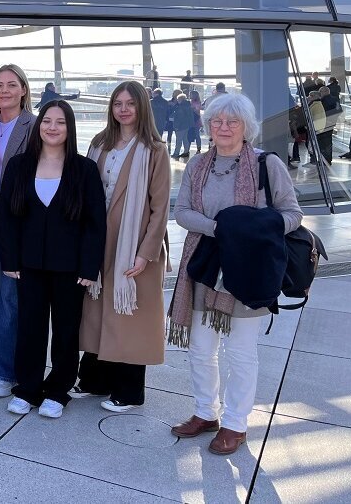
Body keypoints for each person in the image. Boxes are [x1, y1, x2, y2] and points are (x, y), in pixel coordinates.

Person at [169, 93, 302, 455]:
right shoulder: (198, 164)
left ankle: (235, 423)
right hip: (203, 266)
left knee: (241, 351)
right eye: (216, 121)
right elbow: (181, 212)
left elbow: (292, 215)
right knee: (200, 348)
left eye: (232, 122)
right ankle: (204, 413)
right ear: (207, 124)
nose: (223, 128)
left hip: (247, 270)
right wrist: (221, 229)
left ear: (247, 127)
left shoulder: (265, 164)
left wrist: (251, 230)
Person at [0, 100, 106, 418]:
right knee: (29, 327)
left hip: (70, 268)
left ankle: (58, 391)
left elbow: (95, 222)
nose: (53, 127)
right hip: (28, 265)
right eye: (47, 121)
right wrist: (10, 259)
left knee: (65, 330)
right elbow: (7, 217)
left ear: (69, 128)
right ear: (39, 124)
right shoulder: (19, 165)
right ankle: (27, 389)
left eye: (60, 122)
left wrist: (90, 266)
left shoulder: (83, 169)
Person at [76, 82, 171, 412]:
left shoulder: (155, 150)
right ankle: (95, 380)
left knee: (130, 317)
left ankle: (130, 391)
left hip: (134, 241)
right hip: (100, 239)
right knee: (97, 310)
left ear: (142, 106)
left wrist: (146, 252)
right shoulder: (99, 144)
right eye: (118, 103)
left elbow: (160, 208)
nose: (124, 109)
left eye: (131, 103)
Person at [0, 64, 35, 398]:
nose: (4, 90)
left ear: (23, 90)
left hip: (18, 213)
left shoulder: (34, 124)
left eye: (11, 85)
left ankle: (4, 370)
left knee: (9, 295)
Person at [170, 94, 195, 159]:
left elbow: (179, 118)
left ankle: (176, 153)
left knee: (179, 140)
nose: (177, 101)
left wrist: (176, 126)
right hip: (187, 125)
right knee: (185, 139)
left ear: (180, 99)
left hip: (181, 126)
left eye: (178, 99)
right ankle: (186, 151)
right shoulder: (188, 106)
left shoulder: (180, 107)